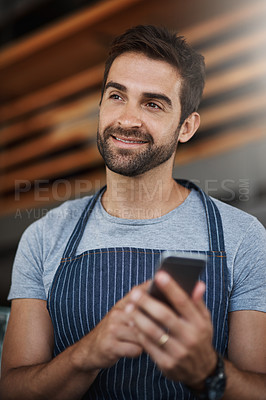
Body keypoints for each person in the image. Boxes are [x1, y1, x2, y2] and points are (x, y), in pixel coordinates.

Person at [0, 25, 265, 400]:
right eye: (116, 96)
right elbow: (12, 390)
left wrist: (209, 371)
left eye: (153, 103)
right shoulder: (45, 236)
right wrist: (89, 354)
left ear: (186, 127)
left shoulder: (242, 236)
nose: (127, 119)